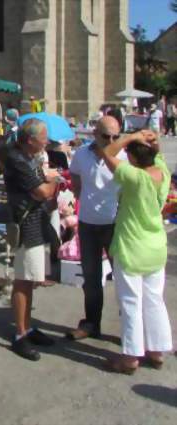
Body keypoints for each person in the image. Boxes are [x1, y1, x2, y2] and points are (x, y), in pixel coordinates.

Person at [100, 130, 172, 374]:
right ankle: (157, 349)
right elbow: (158, 154)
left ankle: (131, 356)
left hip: (132, 245)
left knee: (131, 301)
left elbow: (107, 153)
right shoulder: (162, 171)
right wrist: (152, 141)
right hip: (155, 245)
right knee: (154, 299)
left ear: (131, 157)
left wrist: (130, 137)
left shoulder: (134, 177)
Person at [66, 116, 126, 340]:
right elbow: (74, 172)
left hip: (115, 224)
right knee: (91, 279)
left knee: (123, 279)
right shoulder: (82, 153)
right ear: (95, 134)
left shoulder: (123, 155)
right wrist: (79, 191)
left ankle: (130, 331)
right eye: (106, 136)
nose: (111, 140)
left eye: (115, 136)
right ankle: (91, 323)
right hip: (88, 224)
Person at [4, 119, 59, 361]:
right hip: (26, 225)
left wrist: (48, 179)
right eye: (43, 137)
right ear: (30, 140)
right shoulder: (18, 160)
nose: (47, 141)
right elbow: (42, 192)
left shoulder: (29, 157)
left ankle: (27, 327)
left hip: (35, 222)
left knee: (31, 279)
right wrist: (54, 180)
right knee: (23, 279)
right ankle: (19, 334)